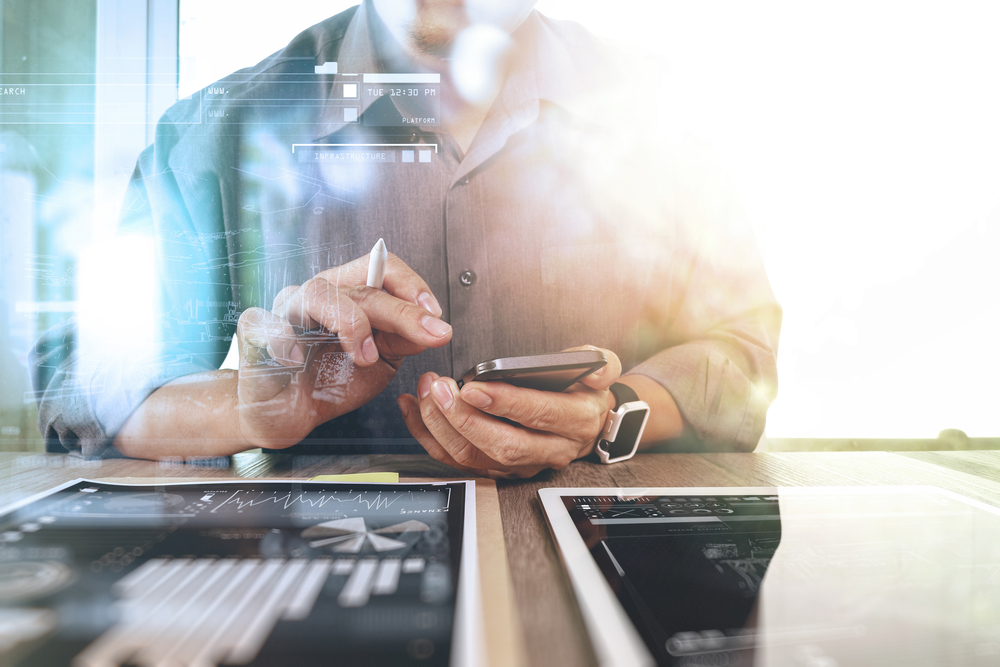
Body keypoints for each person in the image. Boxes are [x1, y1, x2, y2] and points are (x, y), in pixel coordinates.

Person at [31, 0, 781, 477]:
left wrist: (609, 414)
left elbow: (739, 352)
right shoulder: (211, 133)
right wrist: (252, 407)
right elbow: (87, 385)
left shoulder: (658, 116)